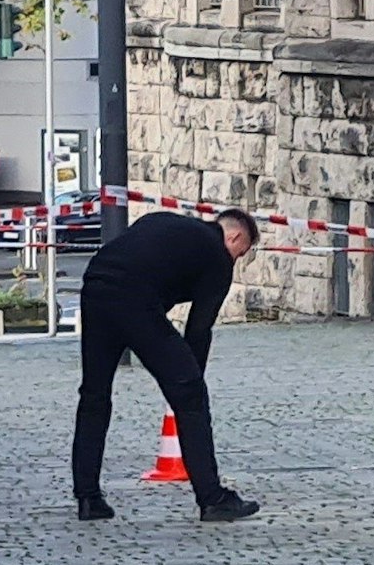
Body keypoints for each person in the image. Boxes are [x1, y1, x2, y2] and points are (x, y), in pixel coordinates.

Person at [71, 208, 262, 523]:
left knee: (94, 394)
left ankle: (88, 498)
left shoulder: (164, 220)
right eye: (239, 255)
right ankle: (213, 499)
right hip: (136, 299)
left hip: (96, 284)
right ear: (234, 236)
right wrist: (188, 382)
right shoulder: (217, 256)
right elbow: (199, 330)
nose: (235, 261)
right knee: (191, 397)